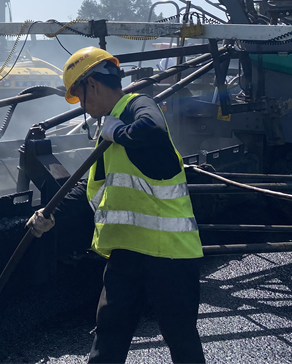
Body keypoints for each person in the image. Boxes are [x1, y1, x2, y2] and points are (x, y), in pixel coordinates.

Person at [27, 46, 205, 364]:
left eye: (79, 96)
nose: (82, 106)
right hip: (127, 253)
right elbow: (90, 189)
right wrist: (51, 213)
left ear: (92, 85)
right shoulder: (108, 130)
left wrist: (118, 132)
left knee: (182, 341)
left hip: (170, 254)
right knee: (108, 336)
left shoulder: (138, 106)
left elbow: (152, 129)